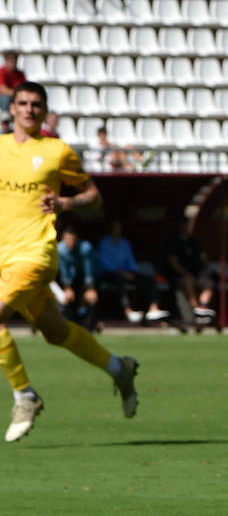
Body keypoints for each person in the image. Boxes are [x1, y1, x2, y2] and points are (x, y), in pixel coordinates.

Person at [1, 81, 139, 444]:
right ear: (12, 108)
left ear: (44, 111)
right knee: (55, 332)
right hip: (3, 258)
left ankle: (25, 395)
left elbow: (94, 196)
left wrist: (66, 204)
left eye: (36, 104)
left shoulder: (57, 152)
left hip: (35, 255)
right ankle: (118, 368)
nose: (29, 109)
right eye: (23, 103)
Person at [96, 219, 167, 323]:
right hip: (108, 274)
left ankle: (153, 309)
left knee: (149, 279)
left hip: (126, 273)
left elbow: (131, 261)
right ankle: (128, 311)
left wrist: (133, 272)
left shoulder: (125, 243)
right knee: (119, 280)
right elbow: (105, 263)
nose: (117, 229)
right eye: (115, 226)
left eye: (119, 226)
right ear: (110, 228)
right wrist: (123, 273)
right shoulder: (104, 243)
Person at [162, 217, 216, 325]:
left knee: (209, 282)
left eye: (186, 225)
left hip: (196, 274)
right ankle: (195, 309)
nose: (184, 228)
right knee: (189, 280)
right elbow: (174, 263)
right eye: (182, 225)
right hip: (178, 276)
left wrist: (205, 270)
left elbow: (203, 258)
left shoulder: (194, 241)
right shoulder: (173, 242)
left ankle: (202, 307)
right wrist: (186, 273)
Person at [55, 226, 101, 329]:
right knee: (68, 297)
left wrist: (90, 289)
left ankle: (91, 326)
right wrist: (67, 288)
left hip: (88, 279)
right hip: (71, 280)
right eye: (67, 239)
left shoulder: (86, 248)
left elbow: (89, 273)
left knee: (92, 298)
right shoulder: (60, 250)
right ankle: (70, 326)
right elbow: (64, 273)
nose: (70, 242)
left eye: (72, 239)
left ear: (77, 239)